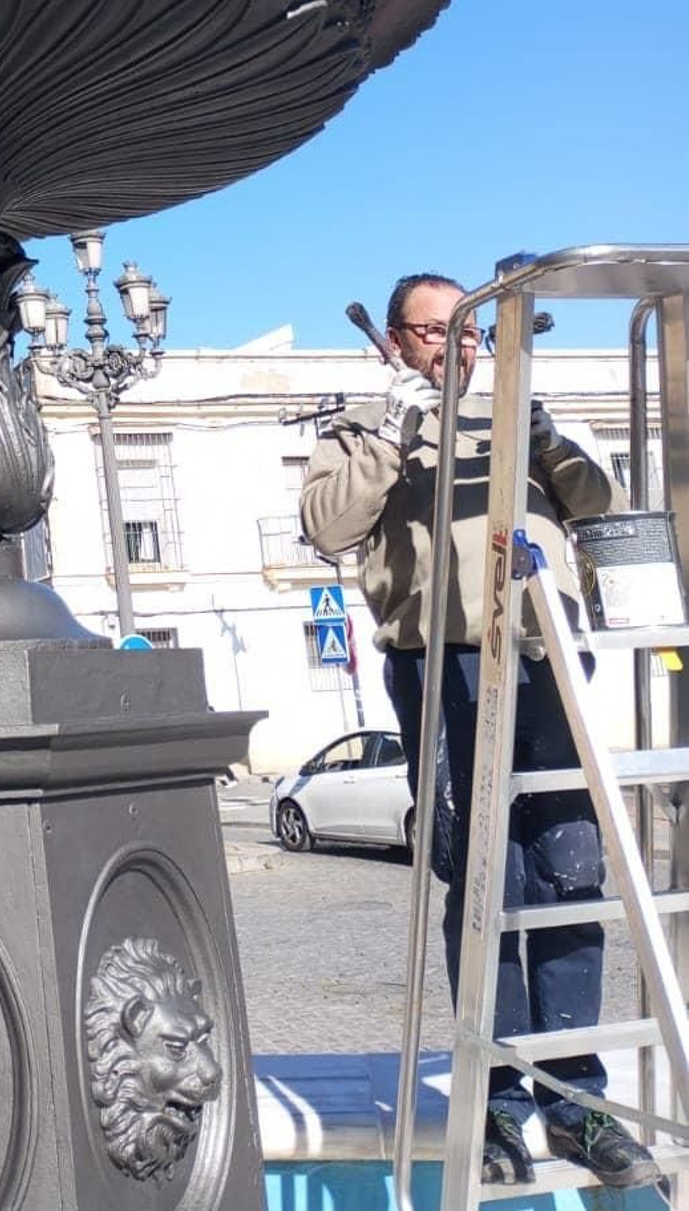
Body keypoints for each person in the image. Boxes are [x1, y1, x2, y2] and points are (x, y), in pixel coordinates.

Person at [300, 272, 659, 1191]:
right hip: (443, 665)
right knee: (486, 876)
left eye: (470, 333)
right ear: (396, 340)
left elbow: (602, 507)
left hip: (544, 659)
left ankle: (575, 1100)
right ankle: (497, 1097)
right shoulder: (363, 430)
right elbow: (328, 527)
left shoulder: (517, 420)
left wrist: (545, 440)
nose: (458, 347)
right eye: (437, 331)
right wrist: (395, 430)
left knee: (569, 871)